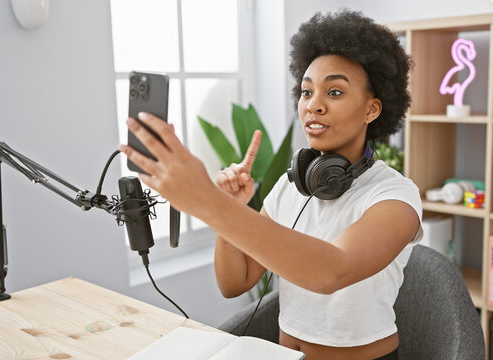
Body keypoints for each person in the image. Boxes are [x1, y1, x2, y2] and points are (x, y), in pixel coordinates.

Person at [120, 9, 422, 360]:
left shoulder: (395, 196)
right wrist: (230, 207)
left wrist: (207, 203)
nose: (314, 106)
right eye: (307, 92)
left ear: (372, 109)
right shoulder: (290, 186)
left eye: (335, 92)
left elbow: (331, 271)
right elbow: (236, 283)